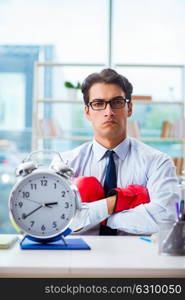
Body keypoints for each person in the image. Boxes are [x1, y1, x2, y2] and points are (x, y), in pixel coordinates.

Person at [54, 68, 180, 236]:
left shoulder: (158, 162)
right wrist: (115, 203)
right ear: (87, 112)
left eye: (117, 102)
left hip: (139, 259)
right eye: (98, 104)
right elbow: (54, 220)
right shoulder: (65, 163)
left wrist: (99, 214)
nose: (109, 112)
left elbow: (167, 220)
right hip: (79, 259)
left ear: (129, 108)